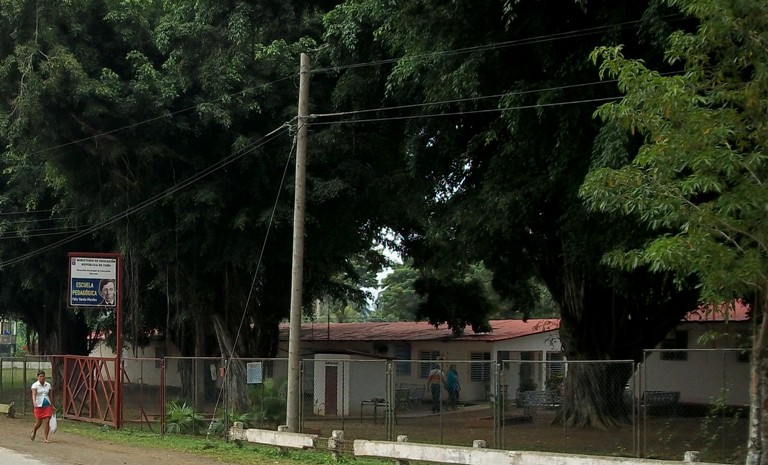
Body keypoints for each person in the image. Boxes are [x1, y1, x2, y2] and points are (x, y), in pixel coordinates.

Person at [31, 370, 54, 443]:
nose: (42, 377)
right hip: (39, 405)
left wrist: (52, 405)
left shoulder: (48, 385)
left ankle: (45, 438)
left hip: (47, 405)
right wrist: (35, 403)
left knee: (47, 421)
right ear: (38, 377)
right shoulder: (35, 385)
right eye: (41, 376)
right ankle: (34, 431)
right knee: (39, 423)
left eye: (43, 376)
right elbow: (34, 395)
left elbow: (50, 396)